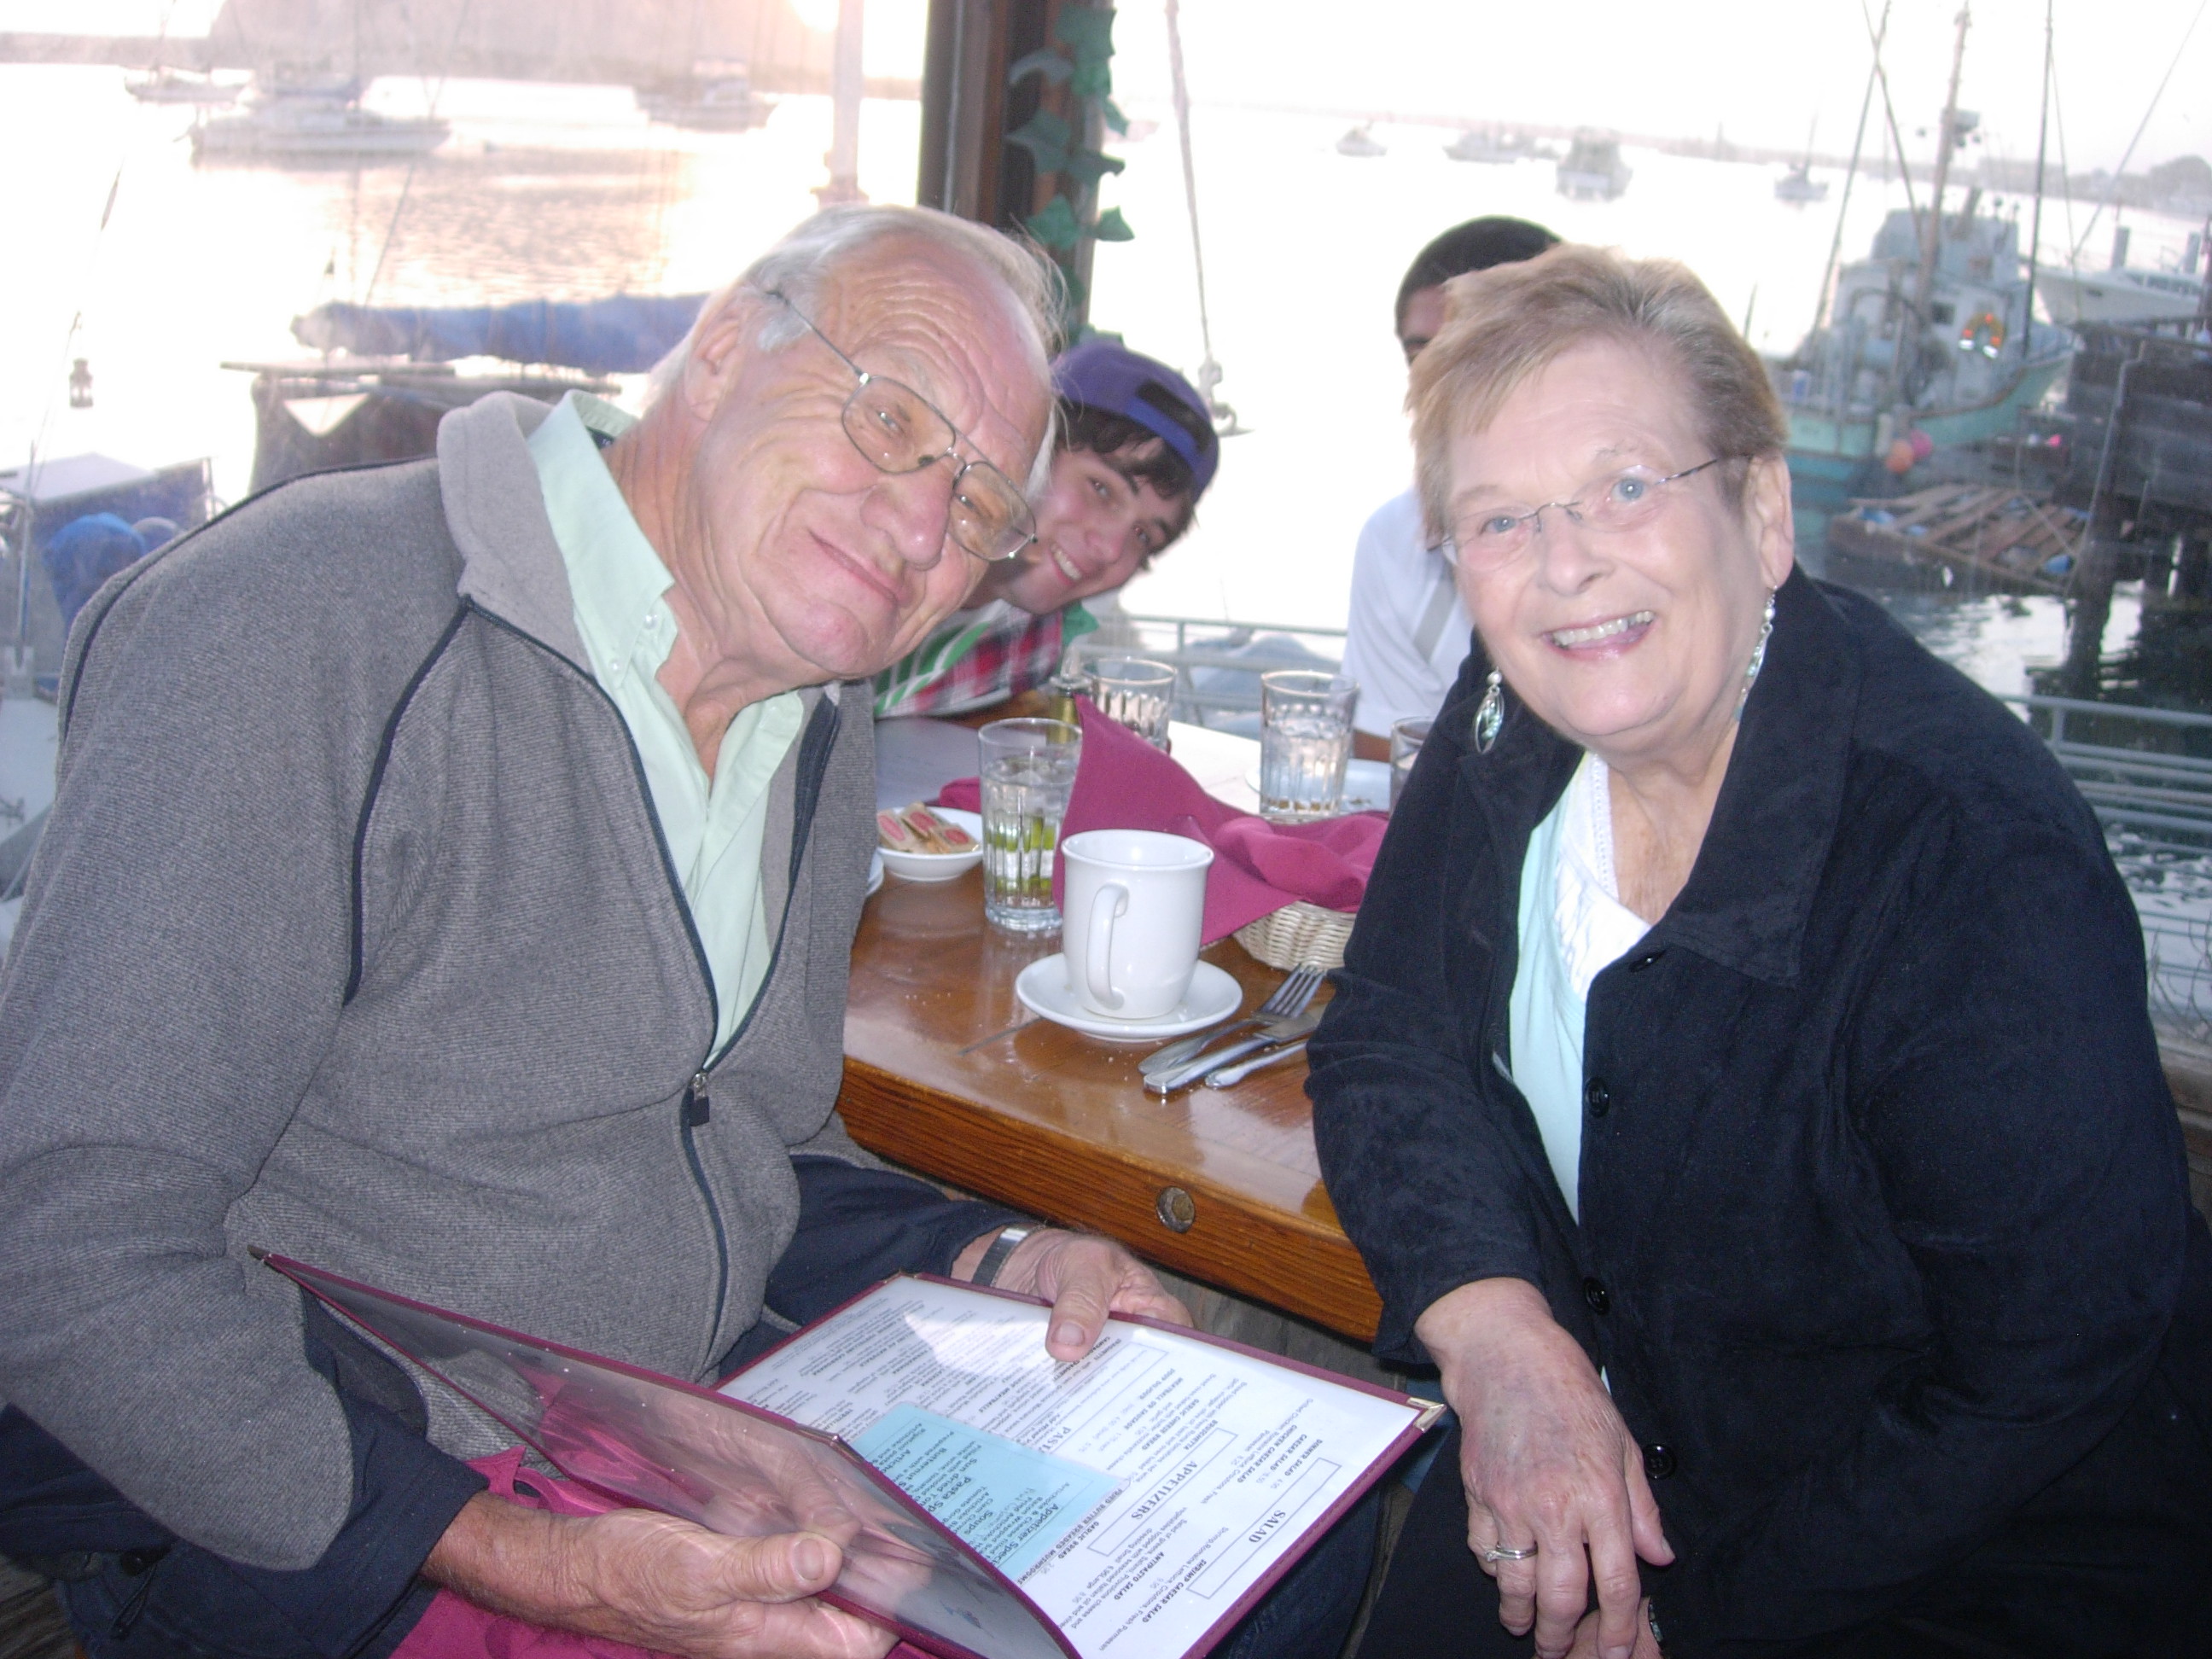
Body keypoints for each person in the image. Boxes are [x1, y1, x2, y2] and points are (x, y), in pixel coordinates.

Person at [0, 206, 1236, 1659]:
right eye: (892, 418)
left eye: (975, 508)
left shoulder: (811, 704)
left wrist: (999, 1255)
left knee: (1217, 1575)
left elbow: (731, 1141)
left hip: (666, 1434)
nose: (920, 529)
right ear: (721, 351)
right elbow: (67, 1243)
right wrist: (544, 1562)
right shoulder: (295, 621)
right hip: (335, 1521)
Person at [1309, 242, 2212, 1658]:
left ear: (1765, 511)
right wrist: (1499, 1337)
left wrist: (1694, 1614)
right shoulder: (1518, 705)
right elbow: (1388, 1031)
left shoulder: (1967, 860)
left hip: (1957, 1549)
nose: (1563, 564)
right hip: (1611, 1427)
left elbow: (2045, 1367)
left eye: (1625, 486)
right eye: (1497, 519)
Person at [872, 338, 1218, 719]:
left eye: (1144, 536)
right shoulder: (871, 542)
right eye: (1101, 488)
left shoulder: (1032, 649)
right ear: (1026, 445)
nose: (1111, 550)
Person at [1341, 216, 1557, 762]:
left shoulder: (1650, 531)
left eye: (1471, 353)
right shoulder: (1397, 544)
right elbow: (1387, 773)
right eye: (1421, 357)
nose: (1440, 385)